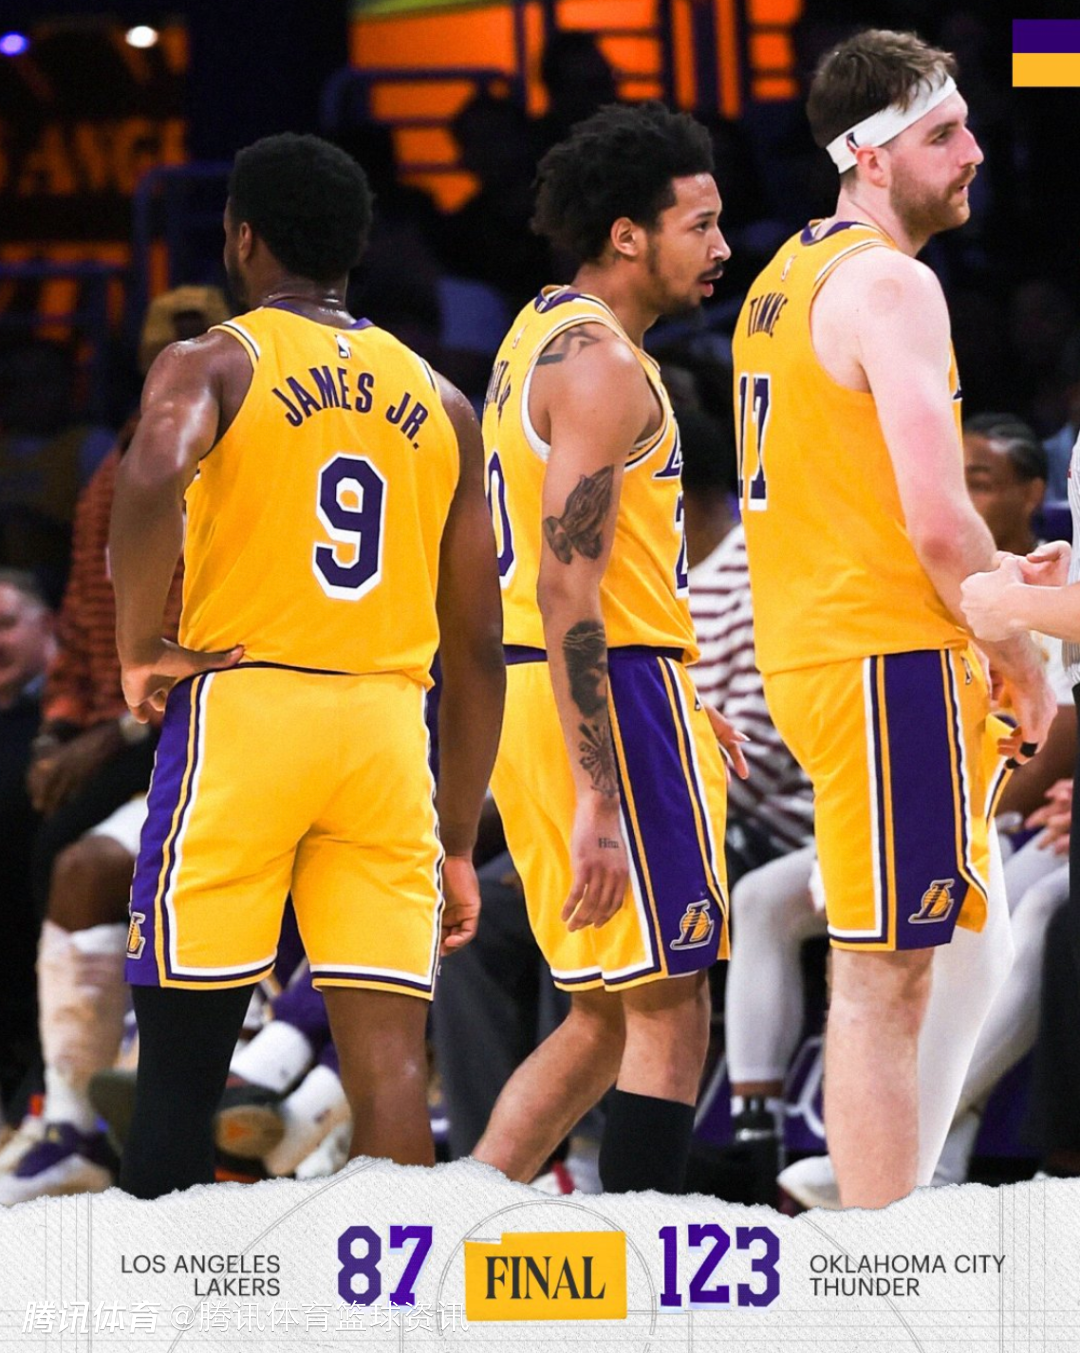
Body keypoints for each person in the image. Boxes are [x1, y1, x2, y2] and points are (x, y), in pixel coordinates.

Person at [108, 132, 505, 1200]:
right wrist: (456, 836)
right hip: (386, 730)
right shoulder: (444, 400)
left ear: (243, 238)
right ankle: (399, 1279)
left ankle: (158, 1282)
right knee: (389, 1069)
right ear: (356, 248)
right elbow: (478, 644)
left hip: (248, 709)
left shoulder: (214, 359)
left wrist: (139, 644)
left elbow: (148, 478)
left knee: (181, 1072)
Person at [734, 29, 1055, 1210]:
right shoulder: (891, 284)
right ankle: (878, 1253)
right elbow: (933, 517)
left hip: (834, 648)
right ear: (869, 156)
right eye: (944, 135)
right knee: (886, 978)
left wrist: (1006, 573)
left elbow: (869, 502)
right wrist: (1023, 648)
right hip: (883, 659)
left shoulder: (786, 278)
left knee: (970, 942)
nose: (975, 153)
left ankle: (882, 1188)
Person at [472, 101, 745, 1196]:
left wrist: (678, 692)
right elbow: (568, 584)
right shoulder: (604, 367)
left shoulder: (535, 335)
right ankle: (647, 1263)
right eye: (700, 224)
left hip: (554, 689)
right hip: (604, 693)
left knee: (601, 1016)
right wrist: (603, 787)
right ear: (628, 234)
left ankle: (459, 1220)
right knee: (672, 1009)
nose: (722, 247)